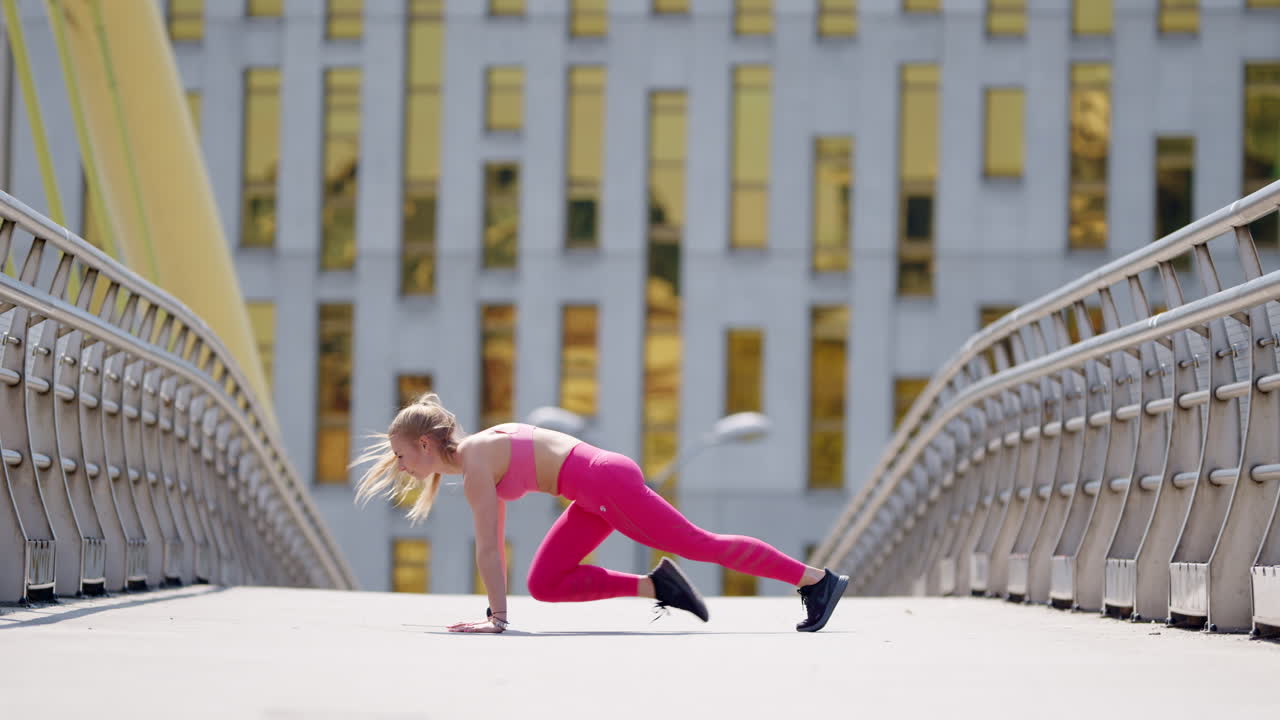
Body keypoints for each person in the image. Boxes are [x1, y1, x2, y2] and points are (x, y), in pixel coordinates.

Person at [353, 392, 849, 633]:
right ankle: (662, 587)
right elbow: (496, 544)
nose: (400, 466)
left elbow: (489, 550)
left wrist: (497, 620)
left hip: (602, 483)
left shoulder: (477, 464)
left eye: (400, 455)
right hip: (591, 491)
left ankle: (815, 581)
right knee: (546, 582)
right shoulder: (478, 455)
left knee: (697, 543)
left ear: (425, 444)